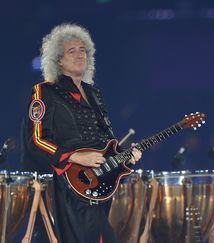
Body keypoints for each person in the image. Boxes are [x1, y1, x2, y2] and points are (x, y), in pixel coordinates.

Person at [21, 23, 142, 243]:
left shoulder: (95, 94)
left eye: (83, 50)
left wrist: (126, 156)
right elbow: (36, 139)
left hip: (100, 186)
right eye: (71, 51)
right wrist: (74, 156)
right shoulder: (45, 92)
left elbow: (105, 143)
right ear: (59, 60)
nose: (80, 55)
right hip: (67, 188)